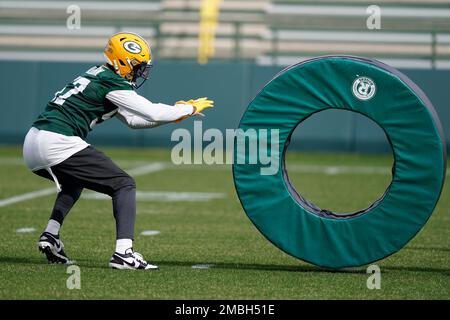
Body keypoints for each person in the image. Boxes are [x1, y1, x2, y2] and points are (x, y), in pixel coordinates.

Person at [22, 32, 213, 270]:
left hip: (33, 141)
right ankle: (124, 253)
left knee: (74, 181)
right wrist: (190, 108)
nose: (140, 72)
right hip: (58, 141)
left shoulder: (99, 75)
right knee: (124, 184)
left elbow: (134, 121)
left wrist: (178, 114)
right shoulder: (112, 82)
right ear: (122, 61)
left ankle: (51, 235)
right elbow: (153, 112)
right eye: (137, 66)